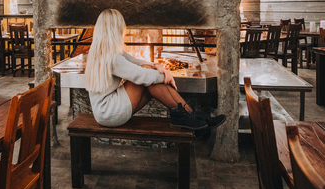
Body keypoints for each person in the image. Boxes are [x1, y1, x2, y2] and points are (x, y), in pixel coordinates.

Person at [84, 8, 226, 130]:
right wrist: (166, 77)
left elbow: (136, 61)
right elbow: (141, 75)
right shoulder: (112, 58)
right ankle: (187, 115)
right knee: (147, 78)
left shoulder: (102, 51)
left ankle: (188, 115)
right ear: (114, 29)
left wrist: (157, 66)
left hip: (104, 112)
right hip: (109, 113)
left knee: (147, 75)